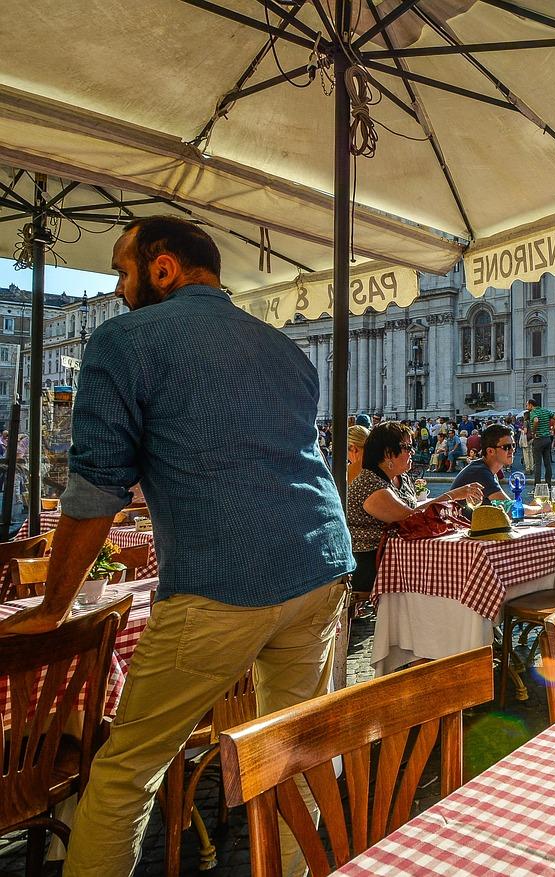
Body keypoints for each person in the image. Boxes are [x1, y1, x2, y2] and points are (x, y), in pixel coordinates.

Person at [0, 216, 354, 877]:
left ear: (162, 269)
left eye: (122, 270)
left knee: (126, 769)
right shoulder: (285, 350)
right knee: (290, 745)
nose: (117, 284)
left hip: (225, 581)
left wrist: (53, 605)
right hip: (320, 567)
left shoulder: (123, 339)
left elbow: (94, 486)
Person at [348, 423, 481, 593]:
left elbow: (413, 509)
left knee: (451, 569)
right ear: (388, 453)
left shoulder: (400, 477)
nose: (412, 451)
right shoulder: (369, 483)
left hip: (400, 556)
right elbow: (410, 518)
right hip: (371, 563)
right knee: (445, 575)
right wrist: (453, 495)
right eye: (407, 447)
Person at [525, 398, 555, 487]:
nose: (527, 407)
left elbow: (536, 420)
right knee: (547, 463)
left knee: (537, 464)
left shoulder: (533, 412)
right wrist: (552, 429)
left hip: (539, 439)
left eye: (527, 405)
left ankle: (537, 486)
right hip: (547, 439)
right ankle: (548, 484)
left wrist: (533, 432)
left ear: (531, 405)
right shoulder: (545, 410)